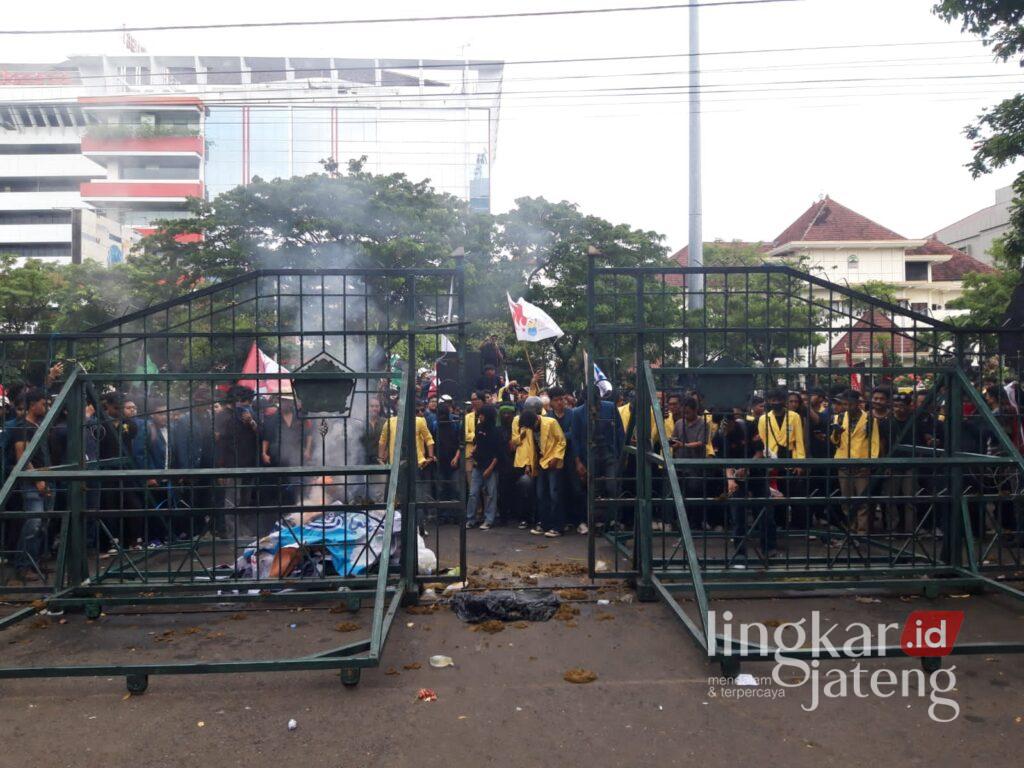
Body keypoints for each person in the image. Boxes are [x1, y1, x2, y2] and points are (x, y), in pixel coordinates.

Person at [8, 389, 51, 582]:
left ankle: (34, 562)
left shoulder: (39, 425)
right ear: (32, 404)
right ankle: (23, 566)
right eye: (43, 403)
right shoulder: (22, 427)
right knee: (33, 523)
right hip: (32, 481)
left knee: (41, 524)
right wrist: (37, 480)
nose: (46, 406)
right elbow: (22, 457)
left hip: (45, 478)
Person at [214, 385, 261, 541]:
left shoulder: (252, 414)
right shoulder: (224, 416)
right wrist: (220, 467)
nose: (245, 405)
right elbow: (219, 442)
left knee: (245, 500)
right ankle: (231, 533)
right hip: (232, 464)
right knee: (232, 500)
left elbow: (262, 434)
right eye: (243, 401)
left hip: (249, 464)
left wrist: (251, 422)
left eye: (248, 401)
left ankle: (242, 530)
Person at [831, 389, 882, 534]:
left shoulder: (870, 420)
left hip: (862, 464)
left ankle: (862, 531)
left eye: (850, 404)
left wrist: (870, 464)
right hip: (843, 462)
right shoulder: (839, 418)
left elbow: (875, 443)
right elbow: (835, 442)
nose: (847, 407)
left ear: (857, 404)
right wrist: (836, 433)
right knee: (846, 499)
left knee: (862, 500)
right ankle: (851, 528)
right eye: (844, 404)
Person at [514, 407, 567, 537]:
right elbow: (531, 449)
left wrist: (556, 457)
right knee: (541, 495)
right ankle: (544, 524)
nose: (531, 429)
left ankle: (558, 527)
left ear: (536, 419)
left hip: (553, 463)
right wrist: (529, 465)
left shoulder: (551, 422)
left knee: (554, 494)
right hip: (540, 464)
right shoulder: (529, 428)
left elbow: (562, 441)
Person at [260, 395, 314, 506]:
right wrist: (264, 453)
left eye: (287, 401)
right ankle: (282, 507)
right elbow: (266, 437)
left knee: (299, 480)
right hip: (279, 455)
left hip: (297, 453)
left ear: (291, 403)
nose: (285, 404)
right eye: (283, 401)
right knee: (281, 483)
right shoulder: (273, 419)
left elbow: (309, 434)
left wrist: (308, 450)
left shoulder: (300, 416)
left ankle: (300, 503)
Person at [465, 405, 500, 530]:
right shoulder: (479, 427)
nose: (479, 416)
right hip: (477, 466)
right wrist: (474, 453)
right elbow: (477, 443)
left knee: (491, 494)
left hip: (491, 467)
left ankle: (489, 520)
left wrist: (489, 469)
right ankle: (470, 519)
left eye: (482, 415)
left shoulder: (496, 431)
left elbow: (498, 454)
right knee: (473, 493)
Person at [433, 402, 461, 523]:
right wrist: (433, 456)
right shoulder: (435, 425)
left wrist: (456, 457)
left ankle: (455, 515)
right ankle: (442, 515)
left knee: (455, 488)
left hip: (453, 462)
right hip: (440, 462)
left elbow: (460, 443)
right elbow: (431, 442)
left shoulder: (455, 424)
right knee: (441, 489)